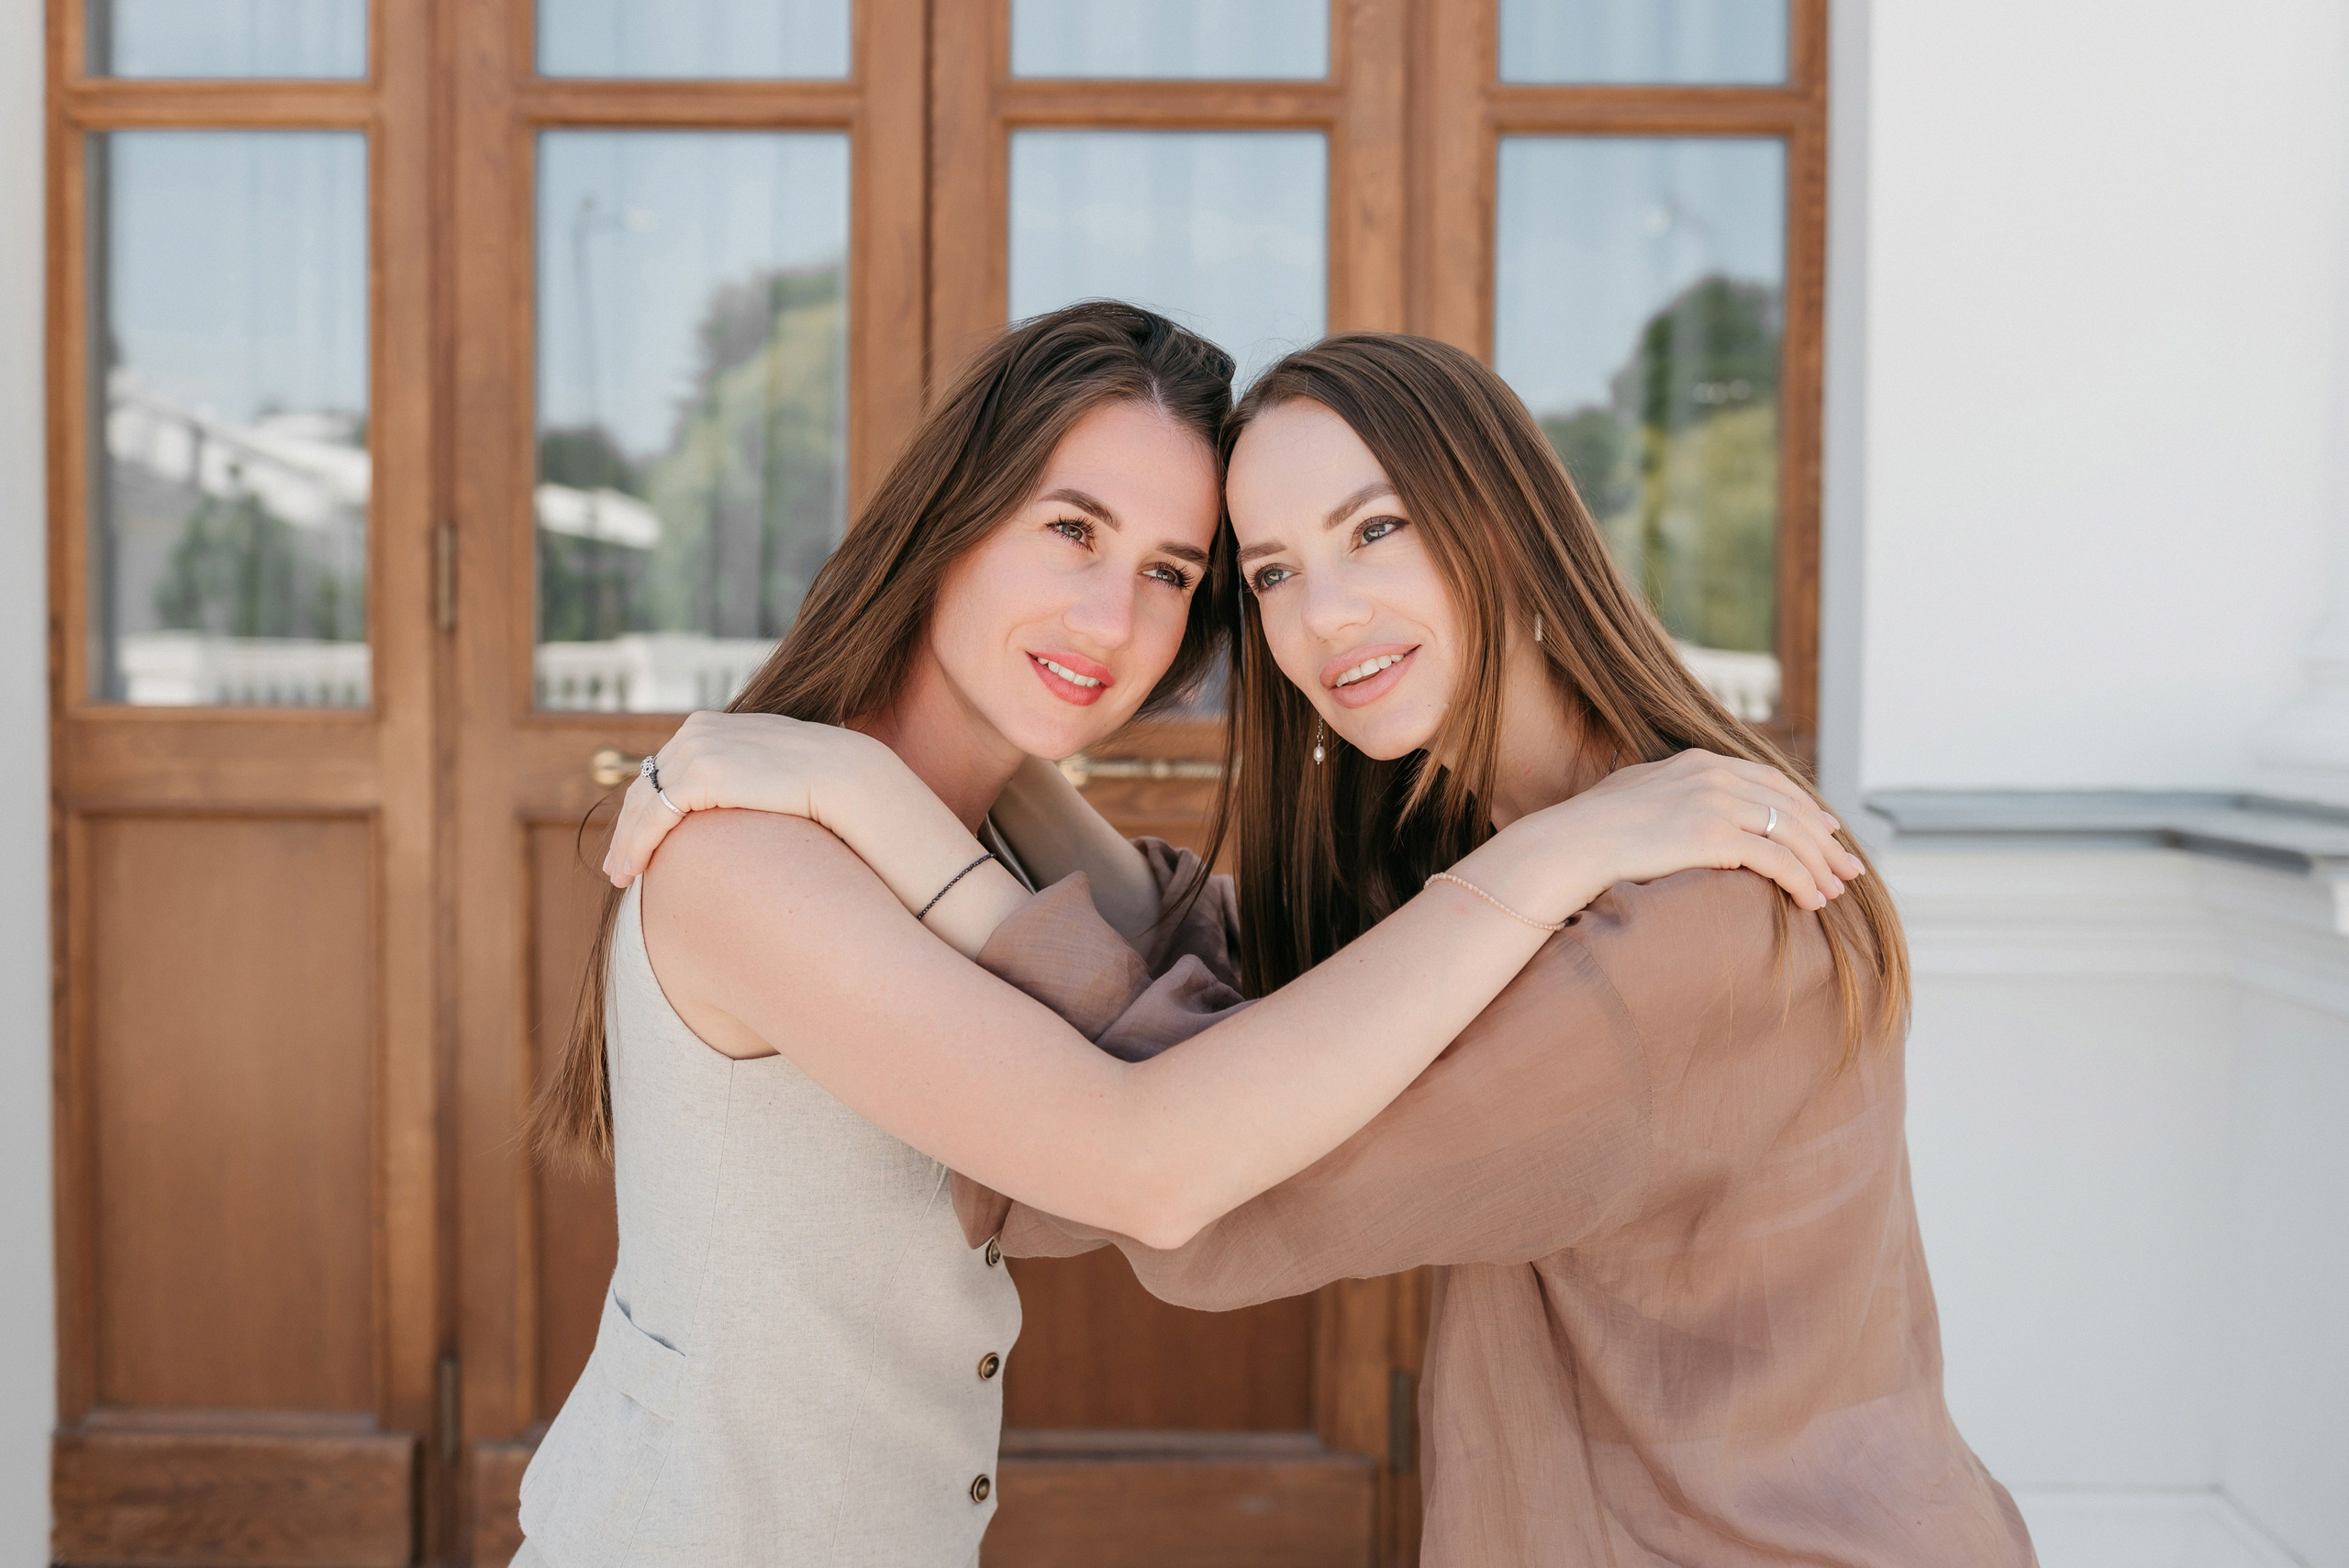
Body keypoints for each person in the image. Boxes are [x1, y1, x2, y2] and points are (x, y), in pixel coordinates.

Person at [606, 332, 2032, 1566]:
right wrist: (960, 766)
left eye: (1374, 531)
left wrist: (874, 790)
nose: (1321, 614)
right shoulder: (1507, 859)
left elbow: (1200, 1181)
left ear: (1511, 527)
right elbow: (1228, 984)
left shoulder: (1678, 914)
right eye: (1270, 571)